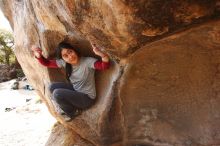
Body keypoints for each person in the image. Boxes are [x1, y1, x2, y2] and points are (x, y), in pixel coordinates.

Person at [32, 42, 110, 121]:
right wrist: (38, 55)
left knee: (57, 93)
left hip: (87, 98)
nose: (70, 56)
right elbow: (47, 63)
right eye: (65, 56)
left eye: (70, 52)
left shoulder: (87, 62)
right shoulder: (64, 63)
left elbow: (104, 66)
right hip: (76, 90)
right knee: (52, 87)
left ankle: (72, 112)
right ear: (63, 58)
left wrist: (101, 54)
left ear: (74, 50)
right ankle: (67, 108)